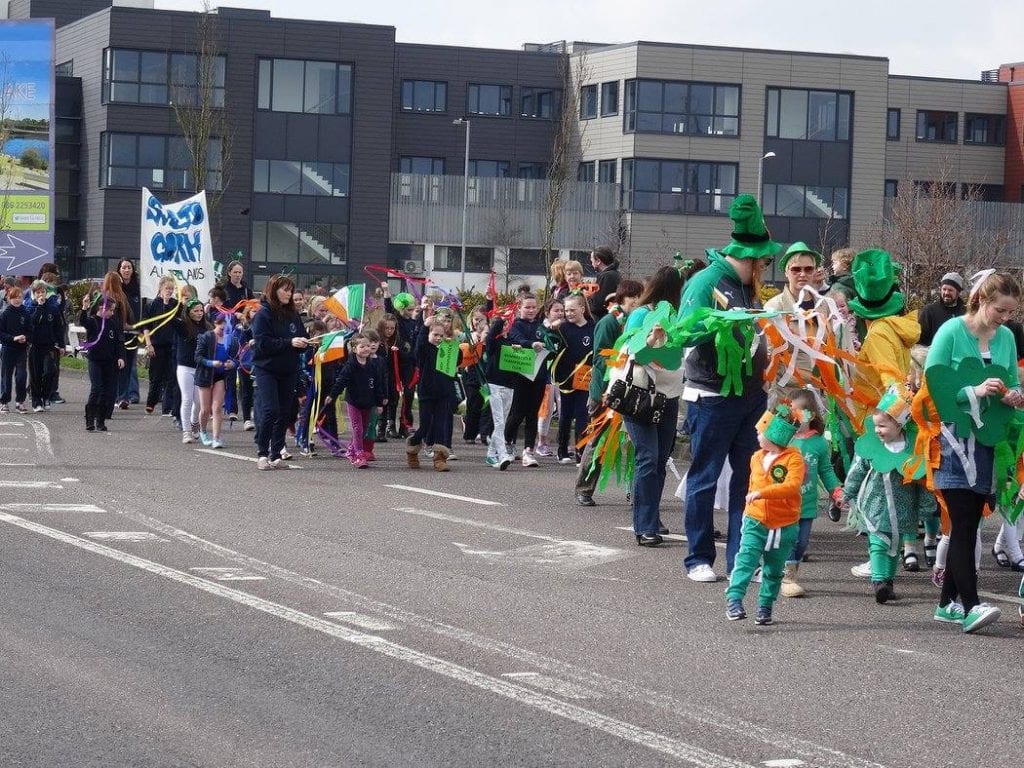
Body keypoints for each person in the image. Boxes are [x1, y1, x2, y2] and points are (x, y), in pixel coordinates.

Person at [680, 194, 780, 582]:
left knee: (748, 477)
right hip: (712, 397)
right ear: (752, 259)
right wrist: (720, 321)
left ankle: (743, 557)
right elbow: (685, 330)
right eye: (764, 262)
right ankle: (698, 557)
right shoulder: (705, 281)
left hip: (750, 396)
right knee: (705, 478)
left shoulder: (746, 285)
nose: (765, 269)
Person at [926, 270, 1024, 633]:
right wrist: (976, 390)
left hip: (986, 442)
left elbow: (1012, 382)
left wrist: (1013, 395)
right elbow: (934, 385)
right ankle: (970, 606)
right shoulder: (951, 331)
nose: (1005, 319)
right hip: (954, 439)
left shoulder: (1007, 337)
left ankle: (945, 604)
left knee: (971, 521)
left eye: (1010, 313)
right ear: (982, 299)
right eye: (1001, 310)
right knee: (964, 523)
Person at [843, 385, 936, 604]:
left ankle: (889, 581)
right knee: (878, 542)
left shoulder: (913, 447)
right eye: (876, 426)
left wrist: (926, 506)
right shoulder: (872, 446)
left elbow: (923, 480)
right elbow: (858, 469)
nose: (877, 431)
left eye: (883, 426)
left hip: (904, 508)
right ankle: (879, 582)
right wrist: (848, 492)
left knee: (895, 546)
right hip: (875, 505)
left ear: (899, 423)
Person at [621, 266, 686, 546]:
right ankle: (644, 525)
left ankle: (651, 516)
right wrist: (649, 339)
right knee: (647, 458)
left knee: (660, 459)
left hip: (670, 394)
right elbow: (629, 349)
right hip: (641, 393)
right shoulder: (641, 314)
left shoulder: (679, 317)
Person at [724, 404, 804, 625]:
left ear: (774, 436)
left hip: (784, 525)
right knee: (745, 560)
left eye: (761, 431)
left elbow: (792, 487)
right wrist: (751, 504)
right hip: (755, 520)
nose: (757, 434)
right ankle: (734, 600)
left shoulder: (794, 459)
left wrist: (762, 493)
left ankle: (765, 606)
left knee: (774, 569)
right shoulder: (756, 457)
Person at [574, 279, 644, 506]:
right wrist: (625, 362)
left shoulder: (637, 322)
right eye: (636, 297)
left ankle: (634, 492)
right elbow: (600, 358)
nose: (639, 302)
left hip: (631, 391)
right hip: (605, 392)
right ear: (626, 298)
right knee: (599, 441)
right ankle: (584, 489)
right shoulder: (608, 322)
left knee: (635, 443)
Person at [780, 390, 843, 598]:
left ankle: (788, 570)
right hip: (783, 501)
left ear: (811, 414)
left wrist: (836, 490)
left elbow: (826, 470)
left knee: (802, 541)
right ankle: (787, 578)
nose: (794, 414)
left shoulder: (819, 443)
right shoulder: (784, 437)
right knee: (788, 538)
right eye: (792, 410)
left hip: (807, 502)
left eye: (799, 410)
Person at [251, 274, 309, 470]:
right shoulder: (263, 314)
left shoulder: (292, 314)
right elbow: (262, 343)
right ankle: (262, 453)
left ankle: (276, 453)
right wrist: (289, 343)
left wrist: (305, 343)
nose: (289, 293)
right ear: (273, 290)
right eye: (285, 289)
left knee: (285, 412)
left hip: (289, 369)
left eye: (291, 290)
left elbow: (301, 336)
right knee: (270, 410)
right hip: (267, 368)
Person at [406, 319, 461, 472]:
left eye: (441, 335)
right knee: (425, 426)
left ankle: (439, 459)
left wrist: (453, 343)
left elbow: (459, 358)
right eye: (435, 335)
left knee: (440, 426)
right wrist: (424, 327)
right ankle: (412, 449)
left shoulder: (446, 349)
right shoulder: (425, 349)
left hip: (444, 393)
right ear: (429, 335)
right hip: (427, 393)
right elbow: (419, 346)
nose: (438, 338)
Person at [325, 332, 385, 468]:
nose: (365, 349)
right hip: (354, 402)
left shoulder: (373, 366)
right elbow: (341, 381)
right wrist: (332, 395)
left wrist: (379, 402)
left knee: (363, 429)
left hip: (368, 403)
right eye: (362, 346)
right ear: (354, 349)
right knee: (357, 428)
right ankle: (359, 454)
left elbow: (378, 385)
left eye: (368, 346)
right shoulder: (350, 366)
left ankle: (351, 450)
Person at [548, 293, 594, 465]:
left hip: (584, 379)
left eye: (572, 310)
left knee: (583, 416)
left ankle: (580, 451)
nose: (568, 313)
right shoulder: (562, 328)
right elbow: (549, 341)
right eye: (566, 310)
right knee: (565, 415)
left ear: (582, 309)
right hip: (565, 379)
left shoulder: (593, 327)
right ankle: (562, 450)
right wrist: (551, 328)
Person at [503, 294, 548, 467]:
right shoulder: (515, 325)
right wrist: (531, 344)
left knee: (533, 414)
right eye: (527, 307)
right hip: (520, 375)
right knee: (517, 413)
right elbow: (517, 339)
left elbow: (549, 342)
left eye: (533, 307)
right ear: (519, 308)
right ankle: (508, 443)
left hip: (539, 375)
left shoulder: (541, 326)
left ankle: (528, 450)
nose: (530, 310)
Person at [79, 293, 126, 431]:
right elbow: (83, 321)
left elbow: (119, 342)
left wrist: (121, 357)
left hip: (110, 362)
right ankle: (89, 419)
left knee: (108, 391)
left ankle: (101, 420)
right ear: (102, 308)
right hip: (95, 360)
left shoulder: (113, 323)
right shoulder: (93, 321)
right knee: (97, 388)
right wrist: (84, 308)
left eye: (113, 310)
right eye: (110, 310)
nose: (112, 313)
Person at [194, 314, 239, 449]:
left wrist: (233, 364)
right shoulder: (206, 337)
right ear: (215, 323)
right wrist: (211, 362)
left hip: (220, 376)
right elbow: (197, 357)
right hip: (205, 375)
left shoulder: (232, 341)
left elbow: (237, 359)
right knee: (205, 410)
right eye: (221, 326)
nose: (223, 329)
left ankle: (216, 438)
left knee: (217, 408)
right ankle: (202, 431)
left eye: (226, 327)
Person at [381, 285, 420, 436]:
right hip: (394, 362)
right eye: (408, 310)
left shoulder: (413, 322)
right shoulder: (396, 320)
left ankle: (405, 423)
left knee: (409, 394)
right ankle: (391, 424)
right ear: (401, 308)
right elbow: (388, 309)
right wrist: (386, 293)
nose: (411, 313)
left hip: (409, 363)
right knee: (393, 394)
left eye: (412, 310)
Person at [142, 276, 179, 415]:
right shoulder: (152, 304)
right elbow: (146, 326)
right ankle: (151, 402)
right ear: (160, 289)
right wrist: (148, 344)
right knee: (155, 377)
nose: (169, 291)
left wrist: (167, 304)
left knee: (171, 377)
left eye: (171, 288)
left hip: (172, 345)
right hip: (156, 345)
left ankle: (167, 407)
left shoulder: (175, 304)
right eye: (167, 288)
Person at [172, 299, 209, 444]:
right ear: (188, 312)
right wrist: (177, 303)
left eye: (201, 310)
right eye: (195, 311)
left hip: (200, 368)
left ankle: (195, 424)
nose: (199, 313)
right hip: (185, 367)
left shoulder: (206, 327)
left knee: (199, 402)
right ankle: (186, 431)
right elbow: (171, 319)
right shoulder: (182, 325)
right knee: (187, 399)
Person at [26, 280, 63, 412]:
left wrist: (61, 344)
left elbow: (59, 327)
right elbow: (32, 322)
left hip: (49, 346)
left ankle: (46, 396)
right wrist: (39, 307)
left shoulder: (53, 308)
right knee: (36, 374)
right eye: (38, 292)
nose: (41, 294)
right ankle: (36, 401)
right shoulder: (30, 307)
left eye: (43, 292)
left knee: (50, 371)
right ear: (34, 294)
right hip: (35, 345)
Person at [536, 298, 564, 457]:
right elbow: (547, 348)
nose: (560, 313)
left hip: (562, 374)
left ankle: (563, 444)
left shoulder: (566, 327)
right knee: (546, 410)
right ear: (547, 313)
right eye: (556, 310)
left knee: (563, 408)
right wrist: (553, 331)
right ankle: (542, 442)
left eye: (562, 310)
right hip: (546, 374)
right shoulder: (541, 329)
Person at [114, 259, 142, 408]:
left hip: (133, 332)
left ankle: (129, 395)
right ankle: (119, 395)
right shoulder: (115, 290)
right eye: (123, 267)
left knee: (130, 364)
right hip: (118, 332)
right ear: (119, 270)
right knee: (118, 364)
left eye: (129, 267)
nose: (126, 270)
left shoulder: (138, 289)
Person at [0, 285, 29, 413]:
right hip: (8, 349)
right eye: (14, 297)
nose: (17, 300)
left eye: (19, 297)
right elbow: (1, 333)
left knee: (21, 376)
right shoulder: (5, 314)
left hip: (21, 350)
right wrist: (13, 338)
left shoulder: (26, 313)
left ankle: (20, 402)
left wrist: (26, 338)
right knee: (6, 376)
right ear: (8, 299)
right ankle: (4, 402)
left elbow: (31, 331)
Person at [918, 272, 965, 347]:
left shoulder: (965, 313)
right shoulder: (929, 311)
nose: (946, 293)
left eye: (950, 290)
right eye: (944, 289)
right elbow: (920, 341)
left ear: (958, 292)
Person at [588, 246, 621, 319]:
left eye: (592, 261)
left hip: (604, 318)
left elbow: (597, 306)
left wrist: (588, 300)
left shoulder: (607, 277)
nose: (592, 263)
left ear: (598, 261)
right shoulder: (614, 274)